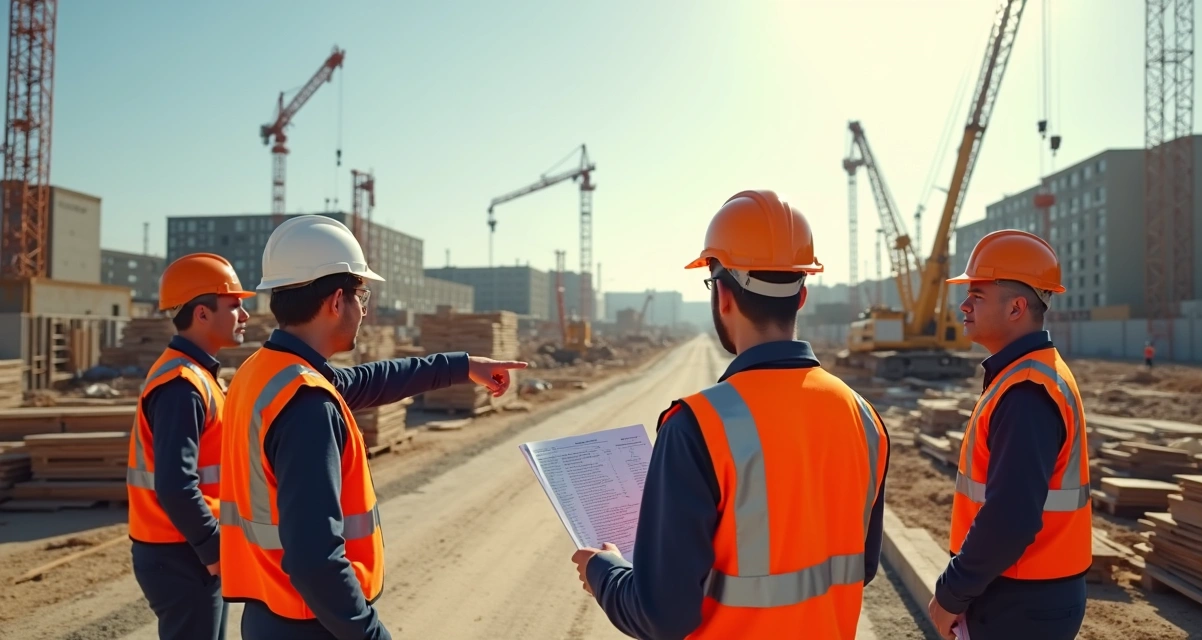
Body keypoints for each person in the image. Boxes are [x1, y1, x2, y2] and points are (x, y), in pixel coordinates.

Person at [571, 190, 891, 639]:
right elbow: (863, 566)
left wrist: (603, 573)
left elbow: (661, 614)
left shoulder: (695, 427)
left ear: (721, 295)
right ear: (801, 296)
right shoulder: (864, 417)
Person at [218, 215, 527, 640]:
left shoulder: (263, 373)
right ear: (336, 302)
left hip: (268, 612)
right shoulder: (306, 403)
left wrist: (463, 366)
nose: (365, 308)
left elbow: (369, 380)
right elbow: (315, 558)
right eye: (362, 294)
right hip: (312, 623)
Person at [929, 229, 1091, 640]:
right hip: (1026, 594)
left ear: (1017, 307)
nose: (964, 305)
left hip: (1021, 602)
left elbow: (1010, 517)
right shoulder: (1028, 375)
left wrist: (951, 593)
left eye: (977, 295)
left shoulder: (1026, 391)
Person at [126, 253, 255, 640]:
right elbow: (176, 485)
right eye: (235, 305)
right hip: (182, 553)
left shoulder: (198, 376)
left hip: (187, 549)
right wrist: (214, 550)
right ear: (202, 313)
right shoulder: (182, 385)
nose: (245, 315)